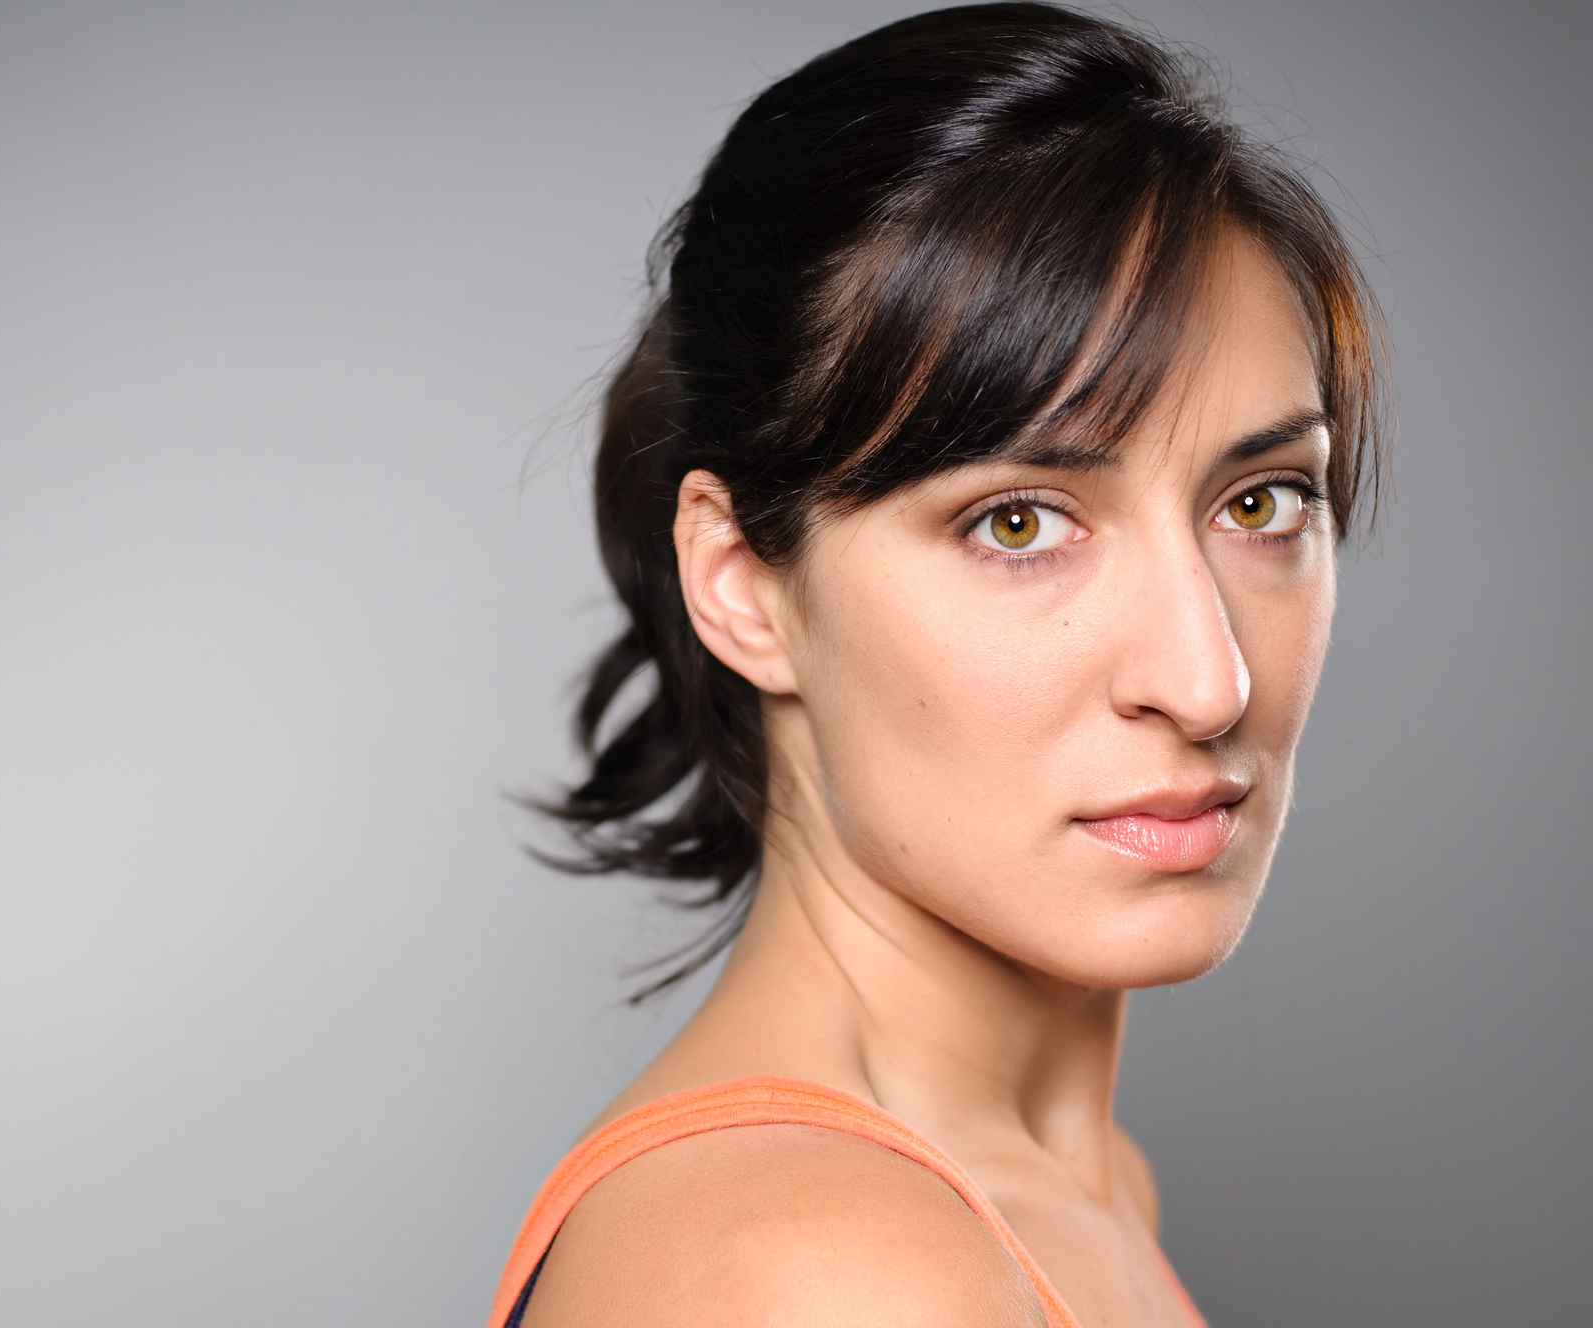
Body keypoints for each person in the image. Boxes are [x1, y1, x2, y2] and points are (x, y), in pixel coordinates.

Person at [491, 4, 1388, 1326]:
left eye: (1260, 502)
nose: (1209, 685)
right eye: (1018, 523)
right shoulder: (822, 1270)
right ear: (743, 584)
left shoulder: (1066, 1195)